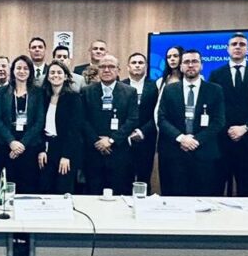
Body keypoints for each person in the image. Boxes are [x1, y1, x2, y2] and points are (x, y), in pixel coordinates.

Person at [157, 49, 226, 196]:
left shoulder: (215, 90)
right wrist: (182, 138)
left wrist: (195, 140)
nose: (190, 65)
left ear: (201, 65)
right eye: (186, 62)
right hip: (175, 153)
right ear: (181, 66)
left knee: (203, 199)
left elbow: (218, 121)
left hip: (204, 153)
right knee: (175, 198)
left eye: (194, 61)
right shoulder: (169, 90)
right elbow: (161, 119)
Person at [209, 32, 248, 196]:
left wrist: (245, 127)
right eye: (234, 44)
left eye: (242, 44)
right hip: (222, 139)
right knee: (216, 186)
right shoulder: (216, 74)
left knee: (247, 187)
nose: (237, 47)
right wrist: (229, 129)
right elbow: (213, 107)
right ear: (227, 49)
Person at [80, 55, 139, 195]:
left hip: (119, 152)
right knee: (92, 194)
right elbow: (82, 120)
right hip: (93, 153)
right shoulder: (87, 91)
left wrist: (111, 140)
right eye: (102, 67)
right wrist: (97, 141)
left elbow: (132, 119)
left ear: (118, 70)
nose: (106, 70)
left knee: (119, 194)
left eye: (111, 66)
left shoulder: (130, 92)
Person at [0, 55, 44, 193]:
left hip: (29, 145)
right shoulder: (2, 91)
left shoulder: (38, 92)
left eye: (25, 68)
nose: (22, 71)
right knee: (7, 185)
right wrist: (11, 142)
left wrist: (22, 144)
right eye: (19, 68)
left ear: (30, 71)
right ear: (13, 71)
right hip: (7, 145)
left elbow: (40, 121)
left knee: (28, 186)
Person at [38, 61, 82, 194]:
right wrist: (41, 150)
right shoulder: (43, 96)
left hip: (65, 149)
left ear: (66, 76)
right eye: (52, 72)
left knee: (63, 189)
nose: (55, 75)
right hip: (47, 147)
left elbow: (74, 129)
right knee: (45, 189)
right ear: (47, 76)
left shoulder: (73, 97)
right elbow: (39, 125)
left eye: (59, 72)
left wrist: (66, 155)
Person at [123, 52, 160, 185]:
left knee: (144, 179)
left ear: (146, 66)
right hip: (123, 139)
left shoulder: (155, 86)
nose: (137, 65)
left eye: (140, 63)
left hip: (146, 138)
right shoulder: (120, 85)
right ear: (128, 66)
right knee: (123, 179)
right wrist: (127, 132)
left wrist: (142, 131)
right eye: (134, 63)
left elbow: (158, 113)